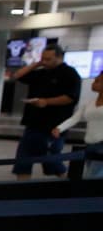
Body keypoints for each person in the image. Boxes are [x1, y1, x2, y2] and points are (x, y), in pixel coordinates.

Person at [10, 43, 81, 180]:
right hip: (33, 123)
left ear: (59, 58)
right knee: (23, 159)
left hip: (54, 125)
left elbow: (70, 97)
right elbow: (17, 76)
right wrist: (36, 64)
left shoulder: (69, 74)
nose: (44, 62)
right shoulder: (41, 73)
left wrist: (46, 102)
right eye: (43, 58)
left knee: (51, 158)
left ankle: (68, 182)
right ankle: (21, 190)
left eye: (48, 59)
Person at [52, 74, 103, 178]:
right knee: (92, 174)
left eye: (97, 81)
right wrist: (59, 128)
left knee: (93, 176)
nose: (93, 83)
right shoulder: (89, 103)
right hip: (90, 144)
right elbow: (75, 118)